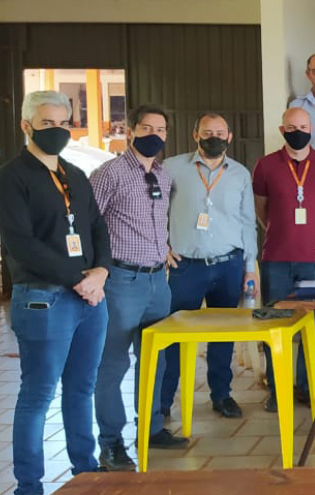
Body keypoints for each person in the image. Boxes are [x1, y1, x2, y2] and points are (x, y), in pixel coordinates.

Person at [0, 91, 111, 495]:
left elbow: (97, 227)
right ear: (26, 126)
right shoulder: (8, 179)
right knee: (37, 395)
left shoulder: (75, 174)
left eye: (63, 123)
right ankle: (29, 486)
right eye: (46, 123)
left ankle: (86, 472)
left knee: (81, 389)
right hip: (44, 299)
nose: (56, 130)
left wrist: (102, 271)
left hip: (90, 299)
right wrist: (79, 279)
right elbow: (21, 243)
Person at [91, 104, 188, 472]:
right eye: (147, 128)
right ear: (130, 131)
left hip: (157, 281)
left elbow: (154, 222)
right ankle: (111, 443)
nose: (154, 135)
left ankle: (151, 428)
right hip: (121, 281)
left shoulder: (163, 175)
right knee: (113, 363)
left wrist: (163, 247)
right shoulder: (109, 174)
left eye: (160, 130)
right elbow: (90, 225)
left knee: (154, 359)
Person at [160, 112, 258, 419]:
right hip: (185, 267)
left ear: (229, 137)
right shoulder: (172, 168)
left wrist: (250, 267)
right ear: (195, 135)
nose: (213, 138)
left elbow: (248, 222)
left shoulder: (240, 174)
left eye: (219, 133)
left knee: (223, 335)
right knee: (173, 336)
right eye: (207, 133)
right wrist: (161, 246)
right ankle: (162, 402)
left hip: (229, 266)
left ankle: (221, 395)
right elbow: (154, 211)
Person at [252, 107, 315, 412]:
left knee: (311, 326)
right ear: (282, 130)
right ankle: (277, 391)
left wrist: (310, 232)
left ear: (311, 129)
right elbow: (261, 209)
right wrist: (282, 230)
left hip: (314, 260)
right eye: (291, 127)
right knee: (274, 327)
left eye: (302, 126)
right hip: (275, 259)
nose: (297, 132)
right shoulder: (265, 166)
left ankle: (306, 386)